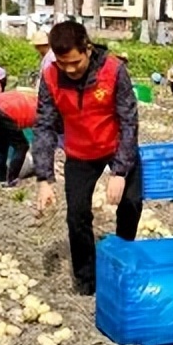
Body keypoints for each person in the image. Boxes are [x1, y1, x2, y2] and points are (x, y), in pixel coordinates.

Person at [32, 21, 142, 296]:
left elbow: (129, 121)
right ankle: (87, 282)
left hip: (116, 146)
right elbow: (44, 125)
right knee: (77, 216)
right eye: (62, 63)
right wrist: (44, 178)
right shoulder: (50, 76)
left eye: (75, 62)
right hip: (80, 153)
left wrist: (119, 172)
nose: (69, 69)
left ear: (88, 49)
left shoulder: (113, 70)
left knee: (131, 203)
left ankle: (122, 261)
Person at [0, 89, 37, 185]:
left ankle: (0, 177)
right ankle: (12, 179)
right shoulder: (40, 110)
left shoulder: (30, 99)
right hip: (3, 111)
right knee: (22, 146)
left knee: (1, 146)